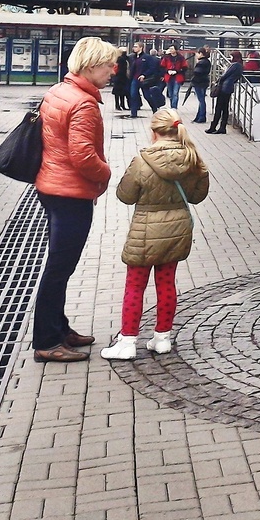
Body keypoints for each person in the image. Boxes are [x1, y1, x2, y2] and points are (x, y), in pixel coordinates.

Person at [32, 37, 120, 363]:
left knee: (60, 265)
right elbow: (83, 156)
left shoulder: (59, 91)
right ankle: (46, 341)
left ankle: (59, 328)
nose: (112, 70)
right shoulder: (83, 104)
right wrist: (105, 174)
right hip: (70, 193)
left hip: (51, 187)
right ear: (90, 66)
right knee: (59, 268)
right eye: (107, 65)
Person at [99, 108, 210, 360]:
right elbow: (197, 196)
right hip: (177, 229)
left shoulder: (143, 161)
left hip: (145, 231)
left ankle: (127, 342)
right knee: (167, 283)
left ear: (154, 132)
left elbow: (125, 196)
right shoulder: (193, 159)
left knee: (135, 286)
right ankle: (162, 339)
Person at [206, 51, 245, 135]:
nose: (230, 58)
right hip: (229, 88)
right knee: (225, 108)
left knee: (218, 108)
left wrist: (217, 81)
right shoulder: (240, 66)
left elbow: (225, 75)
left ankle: (213, 127)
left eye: (231, 56)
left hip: (224, 87)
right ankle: (222, 127)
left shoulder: (235, 65)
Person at [128, 42, 160, 119]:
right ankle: (133, 113)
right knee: (133, 95)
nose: (134, 48)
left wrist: (144, 75)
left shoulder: (147, 57)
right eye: (134, 46)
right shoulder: (133, 57)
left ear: (141, 48)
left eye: (136, 46)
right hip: (135, 79)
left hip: (144, 80)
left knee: (147, 96)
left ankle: (154, 109)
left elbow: (152, 68)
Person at [190, 47, 211, 125]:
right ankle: (199, 116)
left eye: (197, 53)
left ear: (201, 53)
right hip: (204, 82)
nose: (196, 55)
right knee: (201, 100)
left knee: (201, 100)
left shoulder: (201, 62)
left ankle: (202, 117)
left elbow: (197, 72)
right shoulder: (207, 61)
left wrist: (197, 63)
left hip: (199, 82)